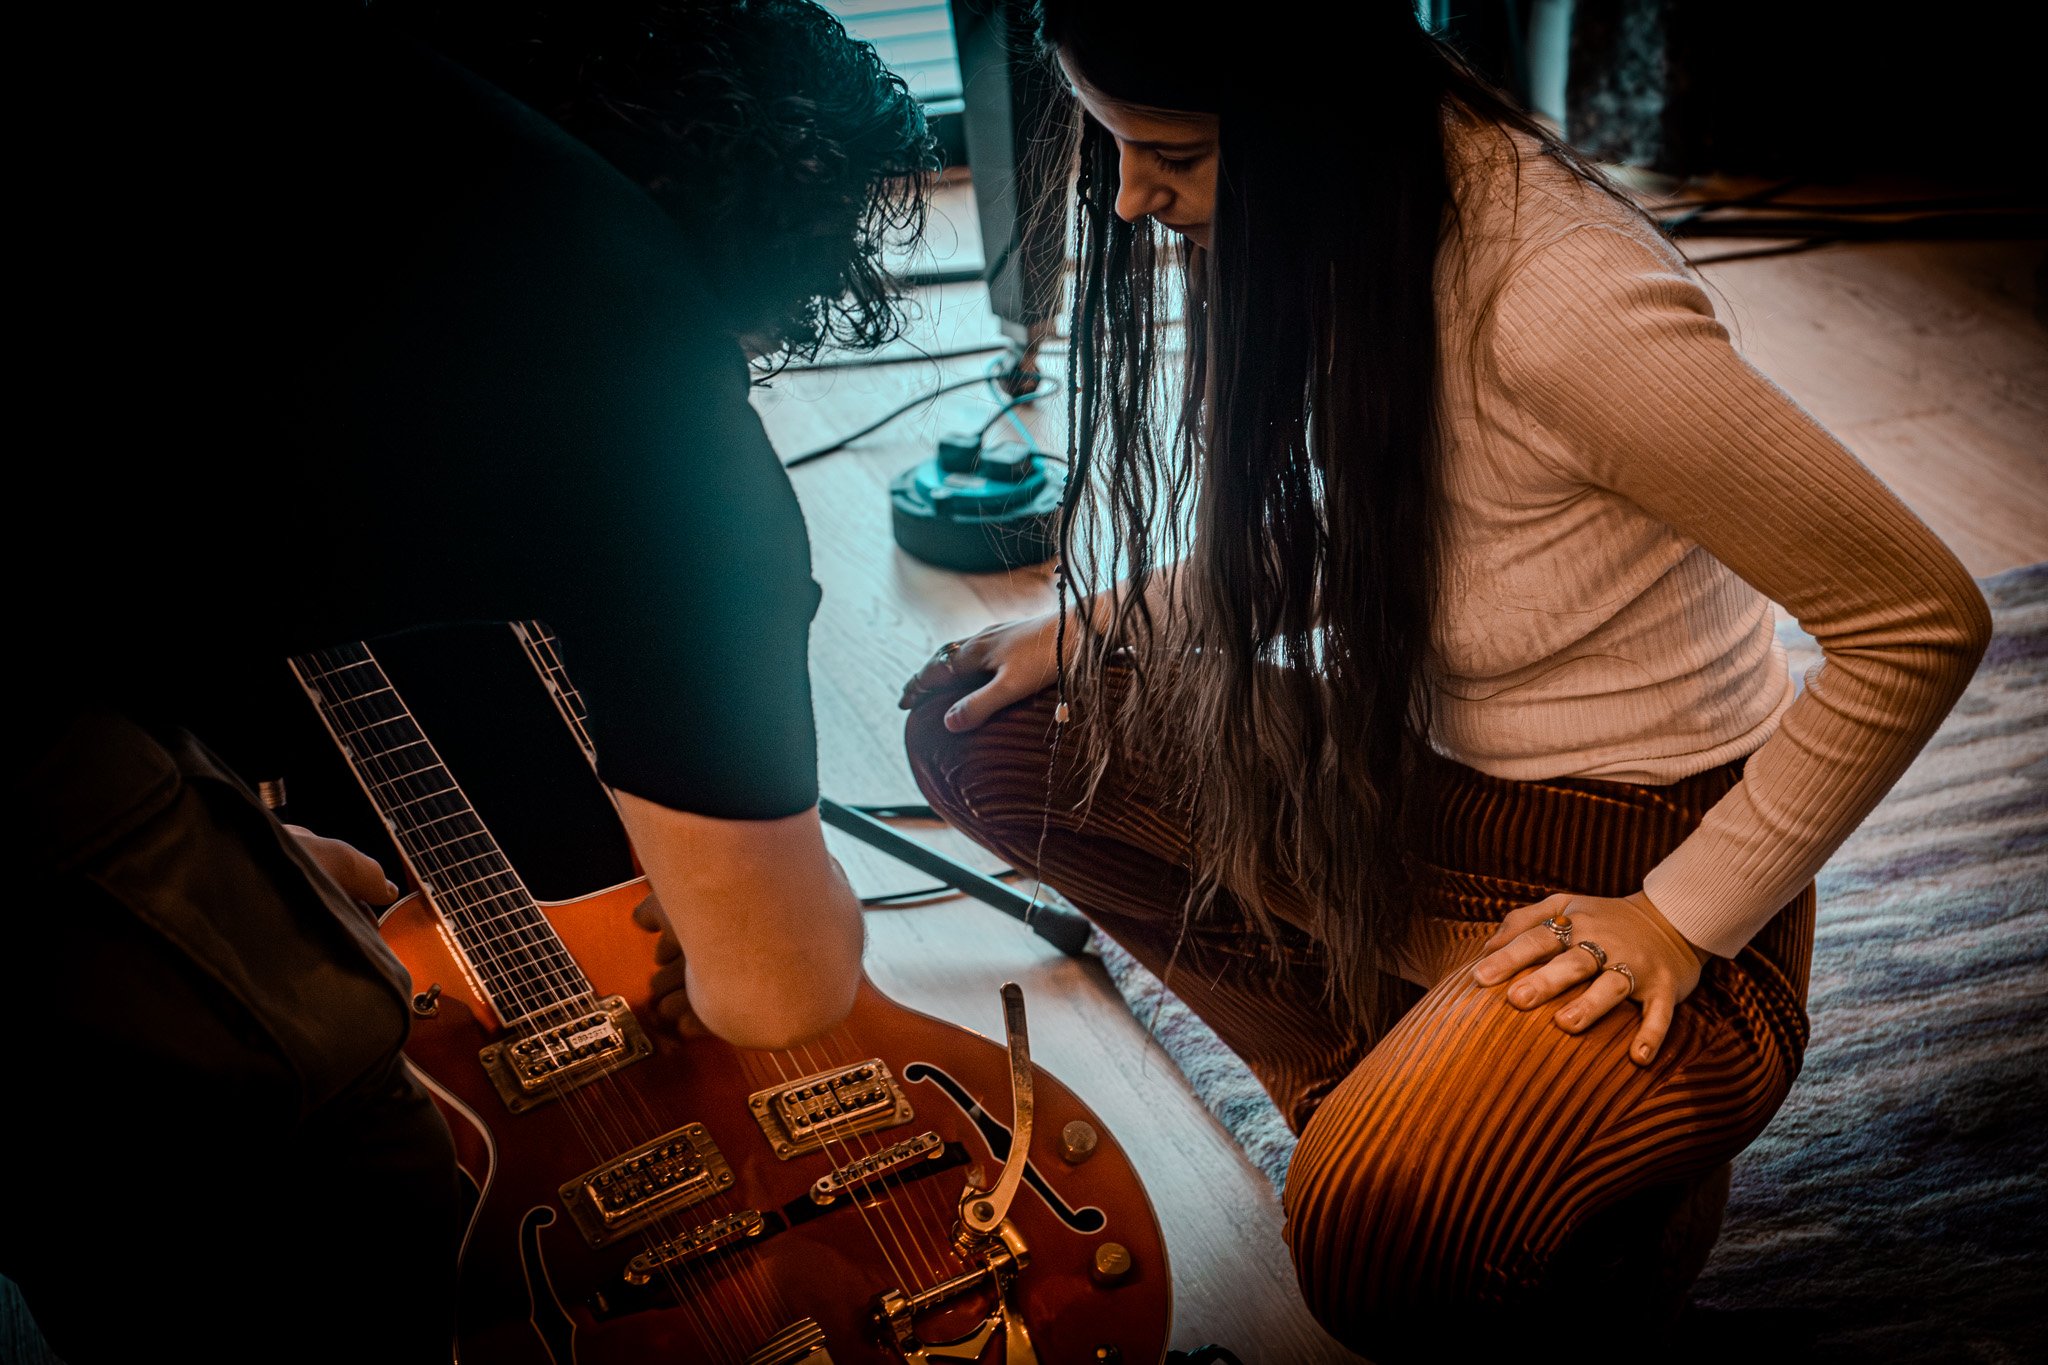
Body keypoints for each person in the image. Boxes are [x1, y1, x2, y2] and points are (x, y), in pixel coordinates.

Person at [899, 1, 1990, 1356]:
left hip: (1635, 873)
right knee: (977, 727)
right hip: (1418, 795)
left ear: (1312, 118)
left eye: (1170, 150)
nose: (1129, 200)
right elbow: (1381, 532)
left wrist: (1681, 915)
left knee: (1365, 1232)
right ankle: (1380, 1083)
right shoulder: (1358, 210)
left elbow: (1920, 616)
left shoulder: (1563, 299)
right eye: (1115, 148)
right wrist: (1110, 620)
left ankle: (1558, 1175)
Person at [6, 2, 931, 1359]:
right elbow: (778, 991)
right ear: (765, 282)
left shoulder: (388, 110)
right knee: (337, 1143)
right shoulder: (658, 403)